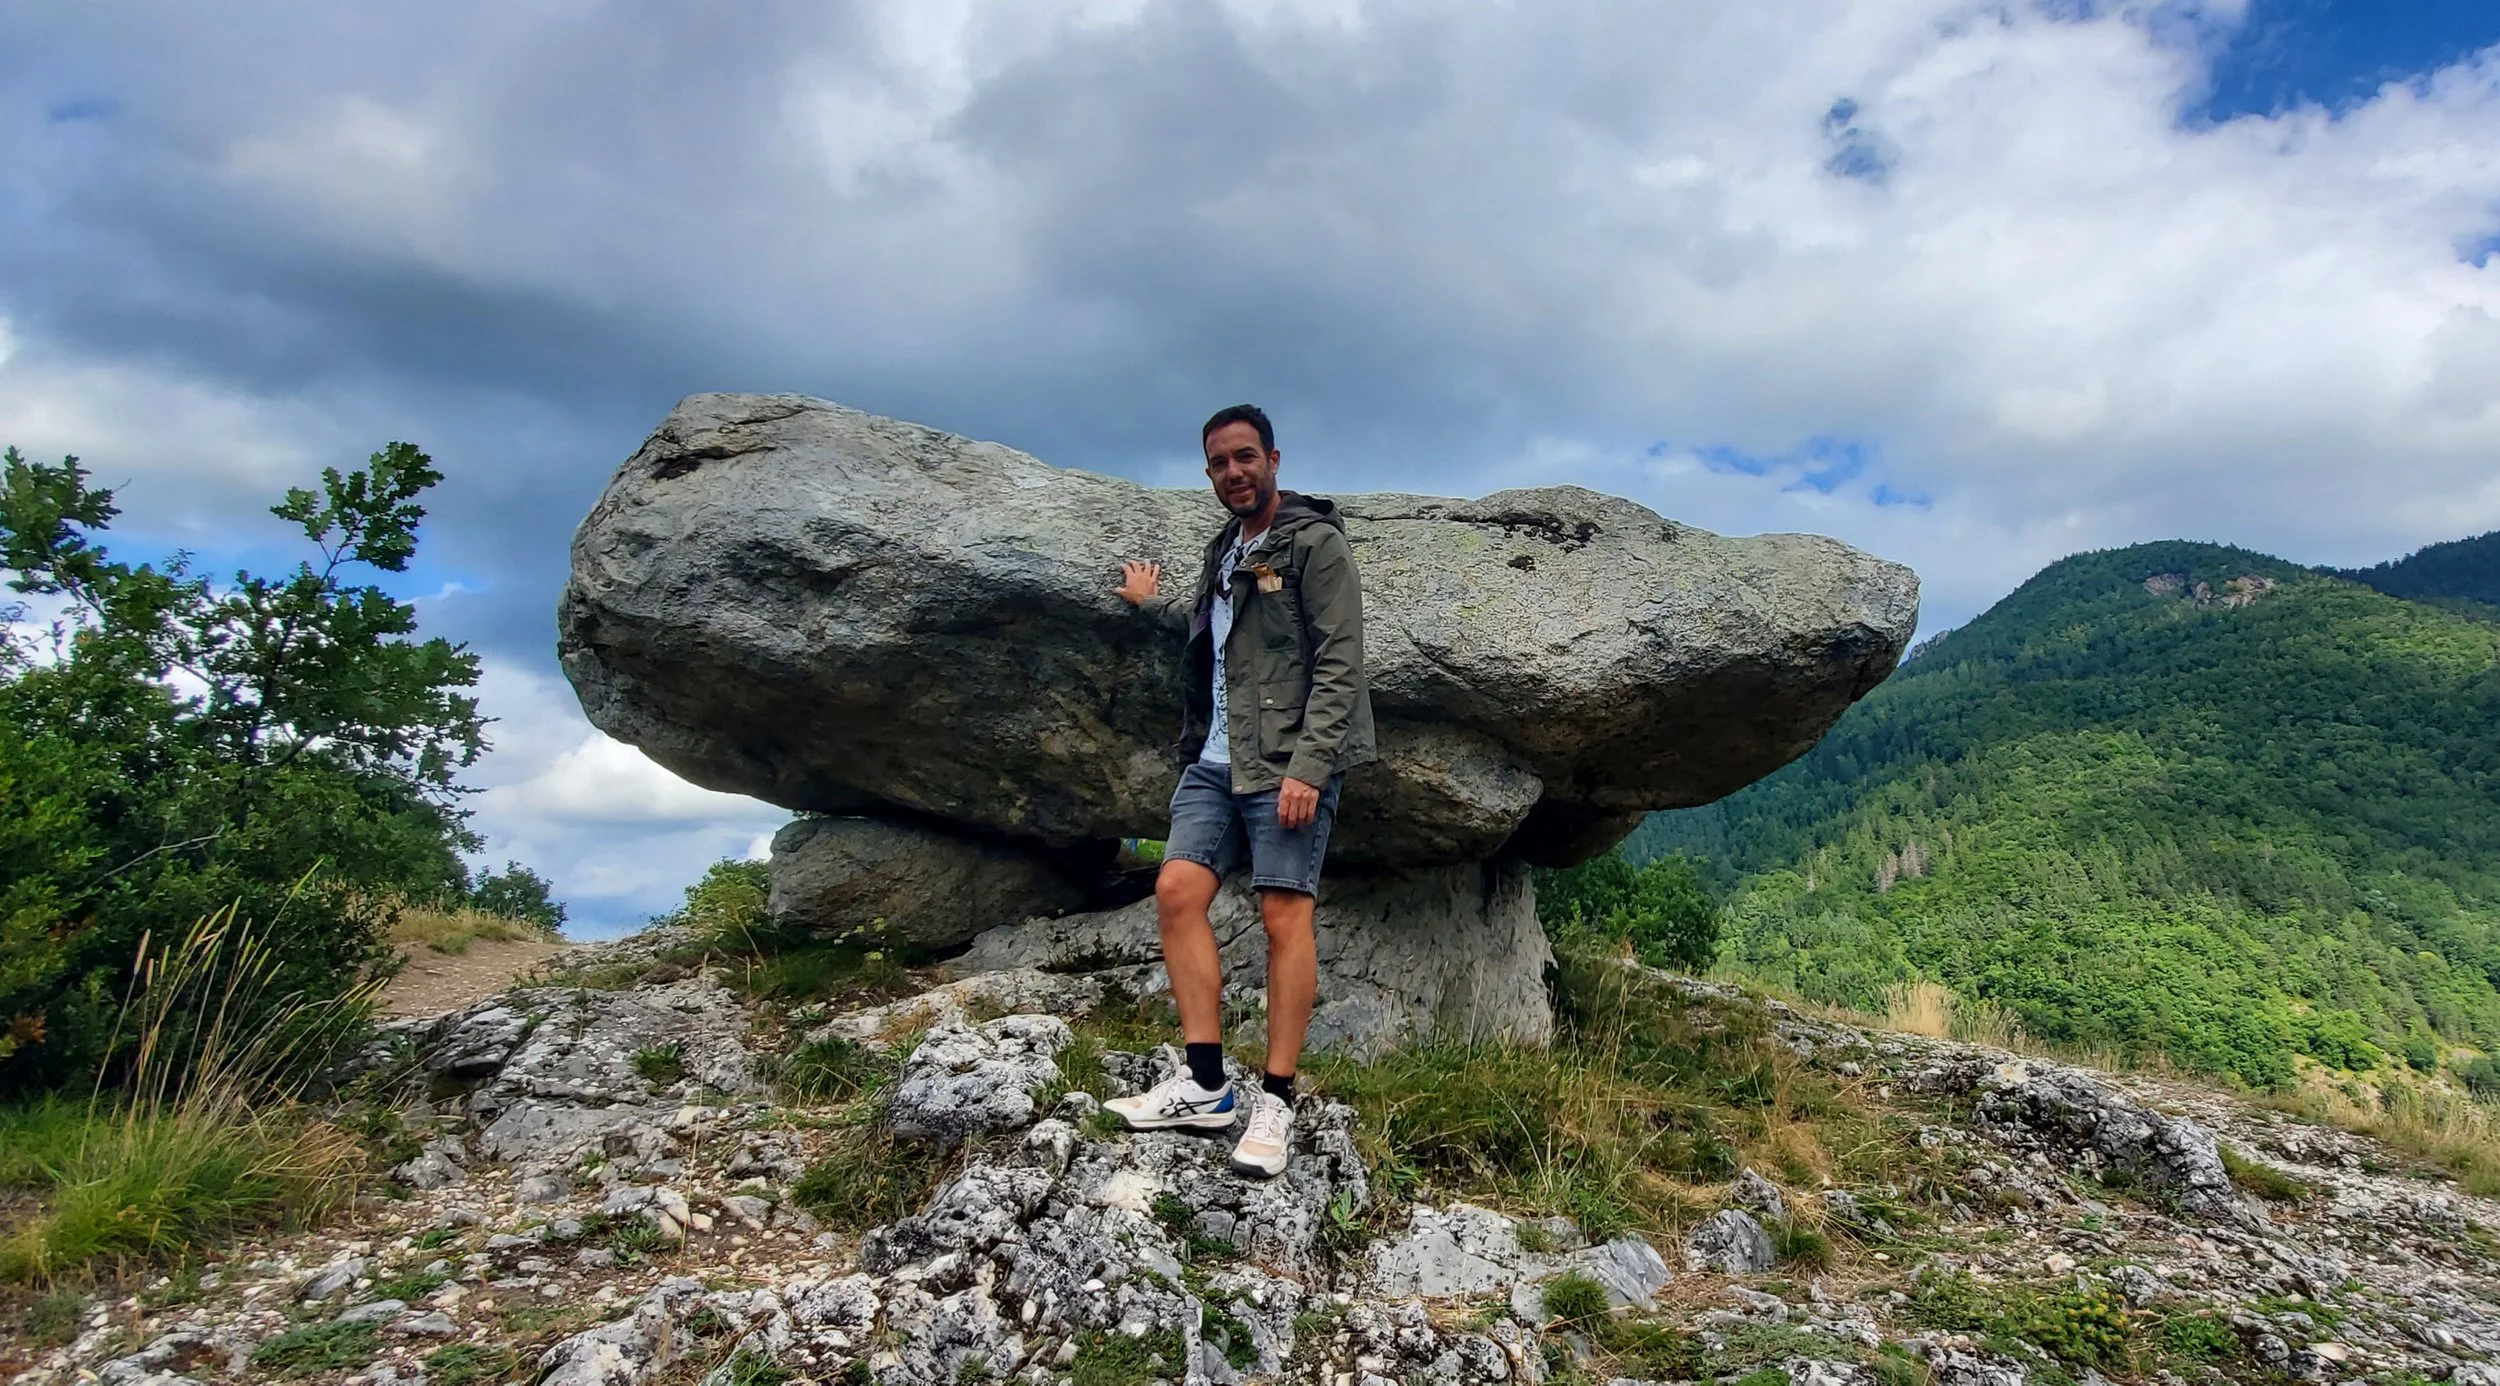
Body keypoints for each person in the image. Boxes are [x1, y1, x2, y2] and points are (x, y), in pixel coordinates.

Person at [1105, 403, 1377, 1178]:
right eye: (1220, 463)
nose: (1234, 472)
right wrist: (1148, 605)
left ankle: (1279, 1101)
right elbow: (1221, 639)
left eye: (1245, 457)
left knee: (1282, 914)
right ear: (1209, 473)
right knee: (1177, 891)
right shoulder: (1224, 550)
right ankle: (1205, 1085)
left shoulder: (1315, 545)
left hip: (1287, 762)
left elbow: (1340, 659)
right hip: (1216, 762)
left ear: (1274, 459)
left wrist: (1309, 767)